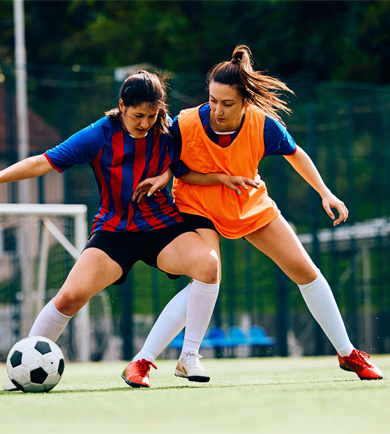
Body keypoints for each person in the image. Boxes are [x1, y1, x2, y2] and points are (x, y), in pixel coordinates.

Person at [130, 45, 383, 386]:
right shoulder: (186, 123)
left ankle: (347, 353)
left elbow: (297, 155)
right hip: (197, 205)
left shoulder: (263, 125)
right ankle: (144, 361)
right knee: (207, 275)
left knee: (306, 272)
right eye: (212, 99)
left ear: (245, 102)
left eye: (227, 103)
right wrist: (162, 177)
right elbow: (169, 160)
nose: (217, 109)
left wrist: (325, 192)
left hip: (248, 204)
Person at [2, 69, 258, 391]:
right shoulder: (98, 135)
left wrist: (183, 176)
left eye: (151, 116)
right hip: (114, 231)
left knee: (209, 266)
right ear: (122, 106)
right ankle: (24, 370)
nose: (144, 123)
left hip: (161, 226)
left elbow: (185, 165)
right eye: (138, 115)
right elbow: (43, 162)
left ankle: (188, 355)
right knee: (69, 298)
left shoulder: (169, 130)